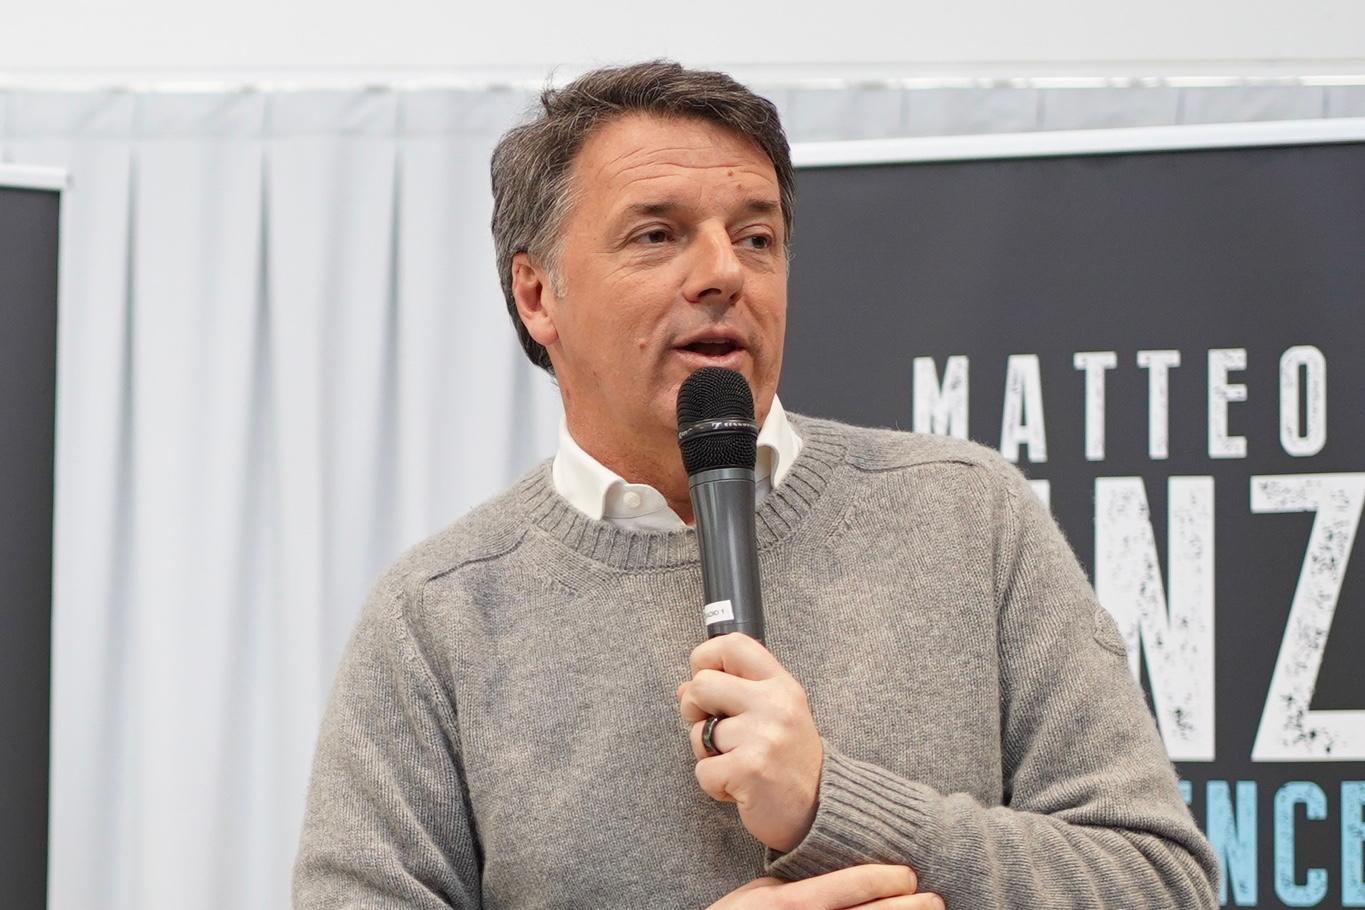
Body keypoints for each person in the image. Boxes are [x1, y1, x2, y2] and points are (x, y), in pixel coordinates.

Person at [292, 61, 1219, 910]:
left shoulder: (967, 518)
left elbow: (1159, 882)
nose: (723, 273)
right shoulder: (439, 615)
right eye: (656, 235)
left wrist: (831, 802)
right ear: (538, 296)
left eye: (756, 236)